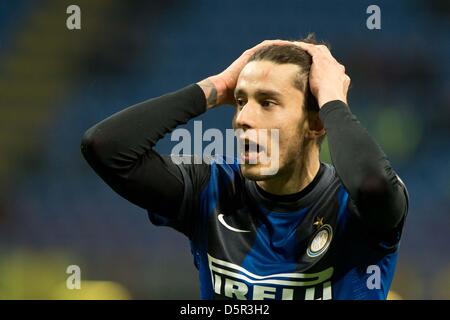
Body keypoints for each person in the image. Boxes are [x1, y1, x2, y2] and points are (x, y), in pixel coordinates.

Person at [81, 36, 409, 300]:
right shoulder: (211, 190)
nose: (243, 119)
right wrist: (218, 87)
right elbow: (105, 147)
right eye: (240, 101)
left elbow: (372, 185)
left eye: (267, 102)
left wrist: (333, 100)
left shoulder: (353, 206)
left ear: (317, 123)